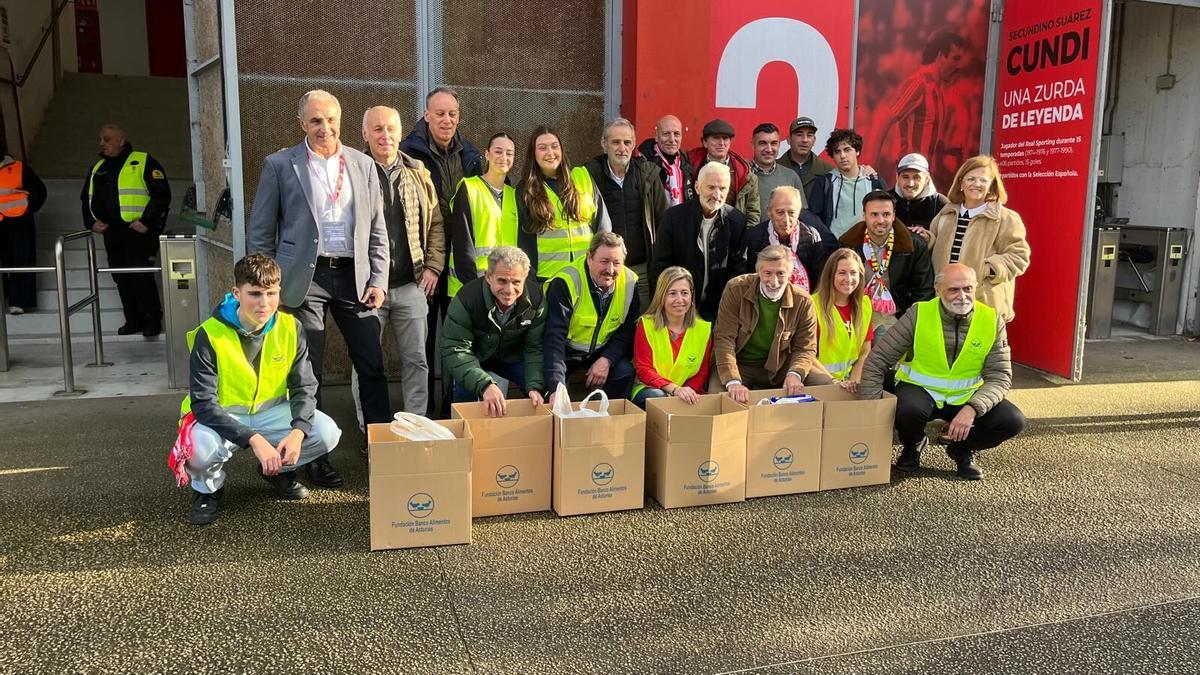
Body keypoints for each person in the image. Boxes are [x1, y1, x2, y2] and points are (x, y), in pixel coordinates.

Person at [246, 89, 389, 484]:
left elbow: (378, 229)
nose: (325, 128)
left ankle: (382, 448)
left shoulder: (362, 164)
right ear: (301, 124)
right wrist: (262, 289)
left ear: (341, 120)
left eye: (331, 120)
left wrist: (378, 278)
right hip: (303, 279)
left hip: (353, 277)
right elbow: (260, 231)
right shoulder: (280, 165)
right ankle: (315, 455)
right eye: (315, 121)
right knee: (311, 369)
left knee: (372, 365)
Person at [181, 253, 342, 526]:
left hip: (271, 411)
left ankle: (277, 469)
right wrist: (255, 440)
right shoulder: (209, 334)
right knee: (196, 451)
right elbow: (203, 404)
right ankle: (208, 490)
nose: (264, 303)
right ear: (237, 292)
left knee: (325, 433)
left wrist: (297, 431)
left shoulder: (291, 327)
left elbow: (304, 386)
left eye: (271, 293)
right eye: (254, 294)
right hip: (221, 415)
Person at [859, 263, 1026, 480]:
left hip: (966, 398)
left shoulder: (991, 320)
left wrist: (972, 409)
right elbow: (877, 360)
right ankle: (914, 444)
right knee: (907, 410)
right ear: (938, 290)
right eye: (953, 289)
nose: (962, 295)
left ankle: (962, 449)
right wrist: (871, 415)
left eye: (968, 288)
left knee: (1012, 421)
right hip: (920, 392)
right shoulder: (919, 313)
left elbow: (1000, 376)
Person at [348, 105, 443, 429]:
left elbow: (436, 224)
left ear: (400, 133)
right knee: (367, 363)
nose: (384, 135)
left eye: (390, 129)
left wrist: (432, 267)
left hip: (410, 284)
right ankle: (369, 429)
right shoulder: (351, 172)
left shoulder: (418, 172)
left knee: (417, 360)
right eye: (377, 129)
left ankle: (416, 426)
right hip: (366, 288)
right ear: (364, 134)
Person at [399, 87, 484, 414]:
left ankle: (452, 408)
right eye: (440, 113)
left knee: (456, 342)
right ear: (426, 115)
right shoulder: (407, 153)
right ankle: (422, 414)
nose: (446, 120)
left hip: (459, 267)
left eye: (452, 114)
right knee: (421, 344)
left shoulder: (472, 156)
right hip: (421, 265)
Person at [80, 123, 171, 336]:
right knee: (121, 277)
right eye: (101, 139)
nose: (101, 144)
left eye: (107, 139)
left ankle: (151, 320)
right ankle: (133, 319)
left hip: (138, 231)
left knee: (141, 276)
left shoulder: (142, 161)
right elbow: (86, 198)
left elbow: (161, 195)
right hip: (112, 232)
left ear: (121, 141)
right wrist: (90, 222)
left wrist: (147, 222)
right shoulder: (98, 167)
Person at [713, 245, 832, 404]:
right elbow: (723, 339)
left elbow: (805, 347)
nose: (774, 281)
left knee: (827, 386)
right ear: (758, 272)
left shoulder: (803, 302)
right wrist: (733, 381)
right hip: (740, 363)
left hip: (780, 364)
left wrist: (795, 374)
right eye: (767, 273)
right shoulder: (736, 289)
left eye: (781, 274)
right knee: (716, 396)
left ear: (790, 274)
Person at [442, 246, 545, 416]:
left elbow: (535, 349)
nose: (509, 290)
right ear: (488, 276)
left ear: (525, 278)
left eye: (516, 282)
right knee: (463, 398)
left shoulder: (536, 300)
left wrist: (535, 386)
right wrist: (485, 385)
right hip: (474, 357)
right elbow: (456, 350)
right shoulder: (466, 299)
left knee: (540, 392)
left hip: (513, 358)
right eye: (502, 281)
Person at [927, 155, 1030, 322]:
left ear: (991, 185)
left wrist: (988, 269)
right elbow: (934, 240)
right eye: (971, 179)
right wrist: (925, 238)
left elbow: (1019, 256)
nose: (977, 184)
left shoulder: (1004, 218)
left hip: (984, 304)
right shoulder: (946, 213)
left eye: (983, 180)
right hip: (945, 304)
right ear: (961, 182)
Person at [543, 232, 639, 403]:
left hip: (601, 350)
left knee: (624, 371)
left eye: (616, 263)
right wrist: (555, 385)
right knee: (553, 389)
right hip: (566, 351)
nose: (610, 270)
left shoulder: (630, 282)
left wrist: (607, 359)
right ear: (589, 258)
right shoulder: (566, 282)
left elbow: (627, 330)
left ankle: (610, 422)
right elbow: (554, 338)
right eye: (604, 262)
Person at [584, 118, 668, 309]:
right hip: (604, 269)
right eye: (616, 142)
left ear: (633, 145)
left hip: (641, 270)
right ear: (604, 144)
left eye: (627, 142)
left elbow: (663, 220)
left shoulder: (648, 175)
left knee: (641, 321)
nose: (622, 148)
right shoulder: (590, 175)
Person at [649, 162, 749, 321]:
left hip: (719, 310)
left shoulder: (736, 221)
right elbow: (660, 267)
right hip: (679, 309)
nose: (717, 195)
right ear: (697, 187)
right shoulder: (673, 218)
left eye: (722, 188)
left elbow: (738, 270)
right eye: (711, 187)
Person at [516, 126, 611, 282]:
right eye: (542, 148)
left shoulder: (582, 176)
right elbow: (524, 241)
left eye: (554, 146)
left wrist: (602, 266)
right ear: (533, 154)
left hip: (586, 275)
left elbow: (603, 226)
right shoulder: (525, 189)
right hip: (548, 280)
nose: (550, 153)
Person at [867, 31, 966, 179]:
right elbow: (884, 119)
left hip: (924, 177)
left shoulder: (937, 90)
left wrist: (951, 148)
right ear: (940, 56)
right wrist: (870, 168)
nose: (959, 66)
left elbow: (925, 134)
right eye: (955, 58)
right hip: (909, 177)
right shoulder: (919, 83)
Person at [838, 190, 934, 337]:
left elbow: (925, 290)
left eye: (886, 214)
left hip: (897, 316)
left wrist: (909, 321)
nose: (881, 220)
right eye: (874, 214)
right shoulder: (848, 244)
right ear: (864, 216)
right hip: (857, 315)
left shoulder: (914, 245)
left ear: (894, 216)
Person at [447, 132, 519, 297]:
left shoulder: (514, 195)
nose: (504, 157)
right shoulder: (469, 188)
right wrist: (475, 288)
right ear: (487, 154)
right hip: (470, 289)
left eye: (509, 153)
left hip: (504, 289)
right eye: (498, 151)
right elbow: (462, 242)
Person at [631, 266, 712, 408]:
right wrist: (674, 389)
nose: (679, 299)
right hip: (651, 389)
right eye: (672, 293)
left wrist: (686, 392)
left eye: (685, 293)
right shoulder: (646, 324)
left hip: (686, 393)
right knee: (658, 397)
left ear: (692, 296)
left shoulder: (703, 329)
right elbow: (644, 369)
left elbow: (702, 371)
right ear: (662, 296)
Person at [744, 185, 835, 293]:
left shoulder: (812, 237)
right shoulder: (754, 237)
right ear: (769, 212)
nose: (786, 220)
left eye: (791, 213)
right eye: (780, 213)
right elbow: (748, 278)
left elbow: (819, 279)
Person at [810, 249, 873, 391]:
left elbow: (865, 352)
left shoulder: (865, 304)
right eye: (842, 273)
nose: (849, 279)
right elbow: (806, 354)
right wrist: (834, 383)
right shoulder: (813, 305)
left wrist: (853, 382)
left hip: (850, 380)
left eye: (853, 273)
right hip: (820, 379)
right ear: (830, 275)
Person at [808, 128, 886, 238]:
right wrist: (829, 243)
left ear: (857, 151)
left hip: (867, 247)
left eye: (847, 150)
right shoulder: (825, 182)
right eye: (837, 151)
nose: (843, 156)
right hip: (835, 247)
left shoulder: (874, 182)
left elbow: (885, 215)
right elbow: (815, 218)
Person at [0, 144, 47, 314]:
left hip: (19, 221)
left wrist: (28, 209)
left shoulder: (19, 168)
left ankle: (19, 301)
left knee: (22, 259)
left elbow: (40, 191)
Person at [686, 119, 760, 225]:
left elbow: (753, 213)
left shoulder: (745, 174)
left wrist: (745, 237)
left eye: (725, 138)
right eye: (716, 138)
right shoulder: (689, 167)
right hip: (695, 229)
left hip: (732, 233)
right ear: (704, 142)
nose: (721, 143)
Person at [749, 122, 805, 220]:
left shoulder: (791, 176)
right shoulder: (741, 174)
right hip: (749, 234)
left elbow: (802, 213)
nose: (769, 149)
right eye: (763, 143)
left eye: (774, 143)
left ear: (779, 145)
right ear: (753, 145)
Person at [637, 114, 694, 208]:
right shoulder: (643, 164)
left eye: (676, 134)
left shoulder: (686, 161)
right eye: (666, 134)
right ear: (656, 136)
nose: (672, 140)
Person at [776, 116, 833, 204]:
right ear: (789, 139)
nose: (805, 140)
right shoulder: (775, 168)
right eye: (799, 135)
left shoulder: (827, 170)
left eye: (809, 135)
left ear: (814, 140)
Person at [892, 153, 948, 236]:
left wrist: (929, 237)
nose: (910, 184)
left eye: (916, 177)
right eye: (905, 177)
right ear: (897, 177)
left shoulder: (942, 205)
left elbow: (947, 241)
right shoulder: (886, 200)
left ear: (926, 179)